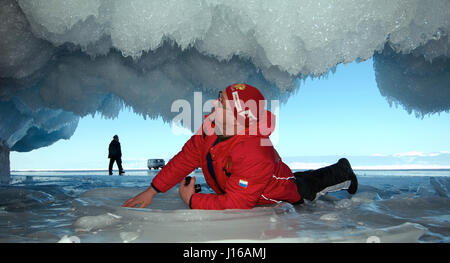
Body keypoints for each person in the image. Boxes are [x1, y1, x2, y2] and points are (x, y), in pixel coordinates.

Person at [123, 83, 357, 209]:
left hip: (278, 193)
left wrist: (191, 200)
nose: (214, 103)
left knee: (307, 188)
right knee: (295, 177)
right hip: (258, 178)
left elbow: (238, 203)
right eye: (219, 96)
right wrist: (152, 190)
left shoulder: (254, 153)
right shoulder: (211, 126)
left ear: (238, 119)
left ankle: (344, 171)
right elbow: (186, 157)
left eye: (222, 103)